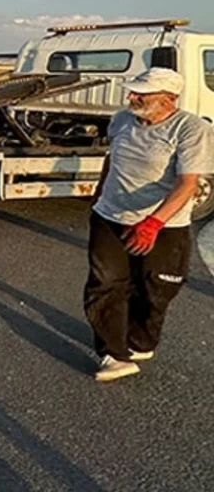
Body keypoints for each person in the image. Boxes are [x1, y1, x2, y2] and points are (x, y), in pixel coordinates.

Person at [85, 67, 214, 382]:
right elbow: (112, 156)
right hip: (110, 216)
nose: (132, 97)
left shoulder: (191, 128)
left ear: (169, 98)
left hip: (163, 224)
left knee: (158, 287)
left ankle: (141, 338)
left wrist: (153, 223)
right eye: (133, 92)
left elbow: (187, 183)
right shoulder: (121, 120)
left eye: (142, 94)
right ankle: (113, 355)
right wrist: (99, 190)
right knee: (105, 283)